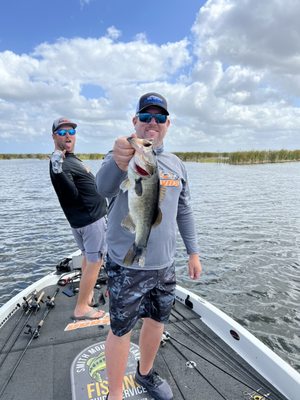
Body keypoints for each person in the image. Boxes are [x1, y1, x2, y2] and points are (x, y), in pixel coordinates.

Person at [96, 93, 202, 400]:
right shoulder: (119, 157)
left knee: (157, 321)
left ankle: (145, 373)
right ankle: (115, 393)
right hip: (125, 265)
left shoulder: (176, 165)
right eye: (145, 117)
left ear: (168, 124)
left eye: (159, 118)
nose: (151, 124)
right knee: (120, 330)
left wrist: (193, 253)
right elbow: (103, 188)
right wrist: (119, 161)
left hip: (164, 266)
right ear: (135, 122)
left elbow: (184, 210)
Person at [50, 117, 107, 320]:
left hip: (83, 221)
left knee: (87, 259)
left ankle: (87, 293)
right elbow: (69, 193)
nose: (68, 135)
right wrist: (57, 164)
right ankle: (81, 307)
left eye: (71, 132)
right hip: (90, 221)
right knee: (95, 262)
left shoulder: (70, 159)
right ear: (54, 136)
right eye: (62, 131)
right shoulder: (60, 162)